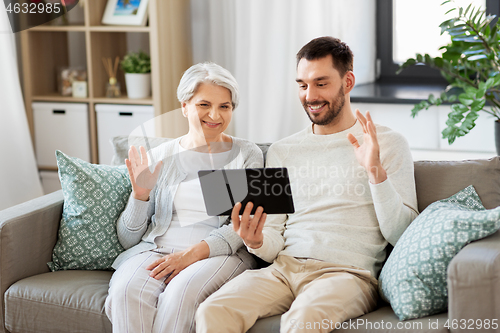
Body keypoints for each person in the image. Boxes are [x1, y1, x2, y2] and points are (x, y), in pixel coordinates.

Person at [195, 37, 419, 333]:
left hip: (347, 275)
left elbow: (402, 234)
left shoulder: (388, 144)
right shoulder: (282, 150)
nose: (309, 95)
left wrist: (375, 172)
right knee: (213, 310)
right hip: (285, 269)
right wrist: (256, 240)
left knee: (304, 318)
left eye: (321, 83)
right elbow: (274, 238)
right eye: (302, 85)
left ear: (348, 81)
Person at [105, 62, 264, 333]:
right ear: (184, 106)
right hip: (154, 250)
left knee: (180, 297)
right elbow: (128, 239)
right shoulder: (160, 156)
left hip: (218, 254)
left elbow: (242, 228)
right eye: (204, 104)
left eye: (224, 106)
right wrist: (139, 196)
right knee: (124, 292)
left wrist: (189, 256)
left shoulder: (246, 155)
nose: (215, 115)